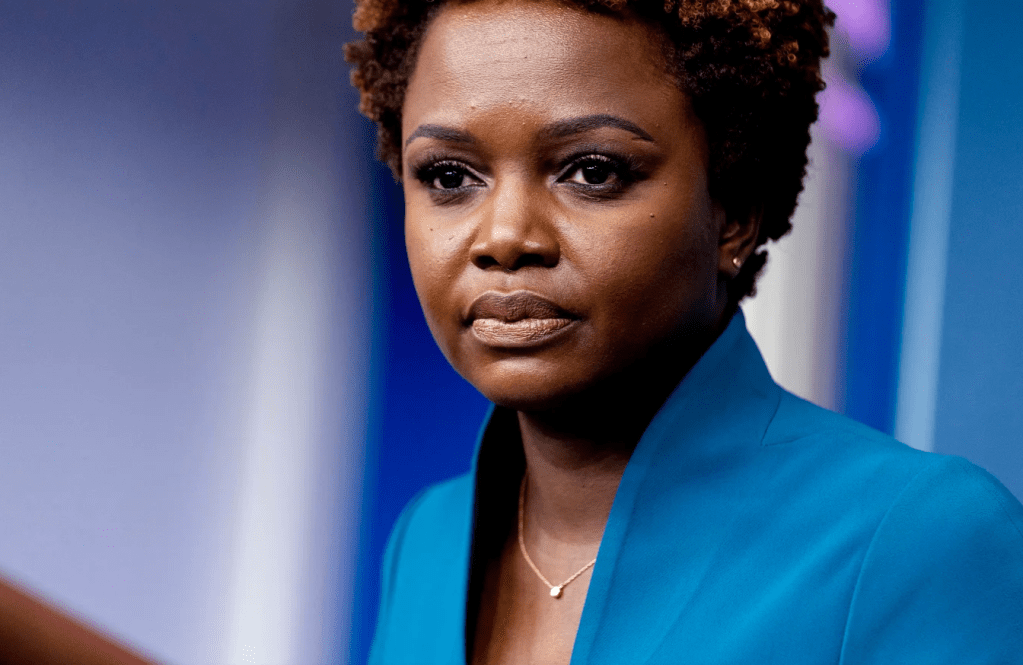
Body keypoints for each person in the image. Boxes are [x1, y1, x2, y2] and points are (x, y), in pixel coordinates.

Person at [345, 1, 1023, 663]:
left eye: (592, 171)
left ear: (734, 213)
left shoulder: (916, 538)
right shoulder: (429, 539)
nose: (503, 237)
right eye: (449, 176)